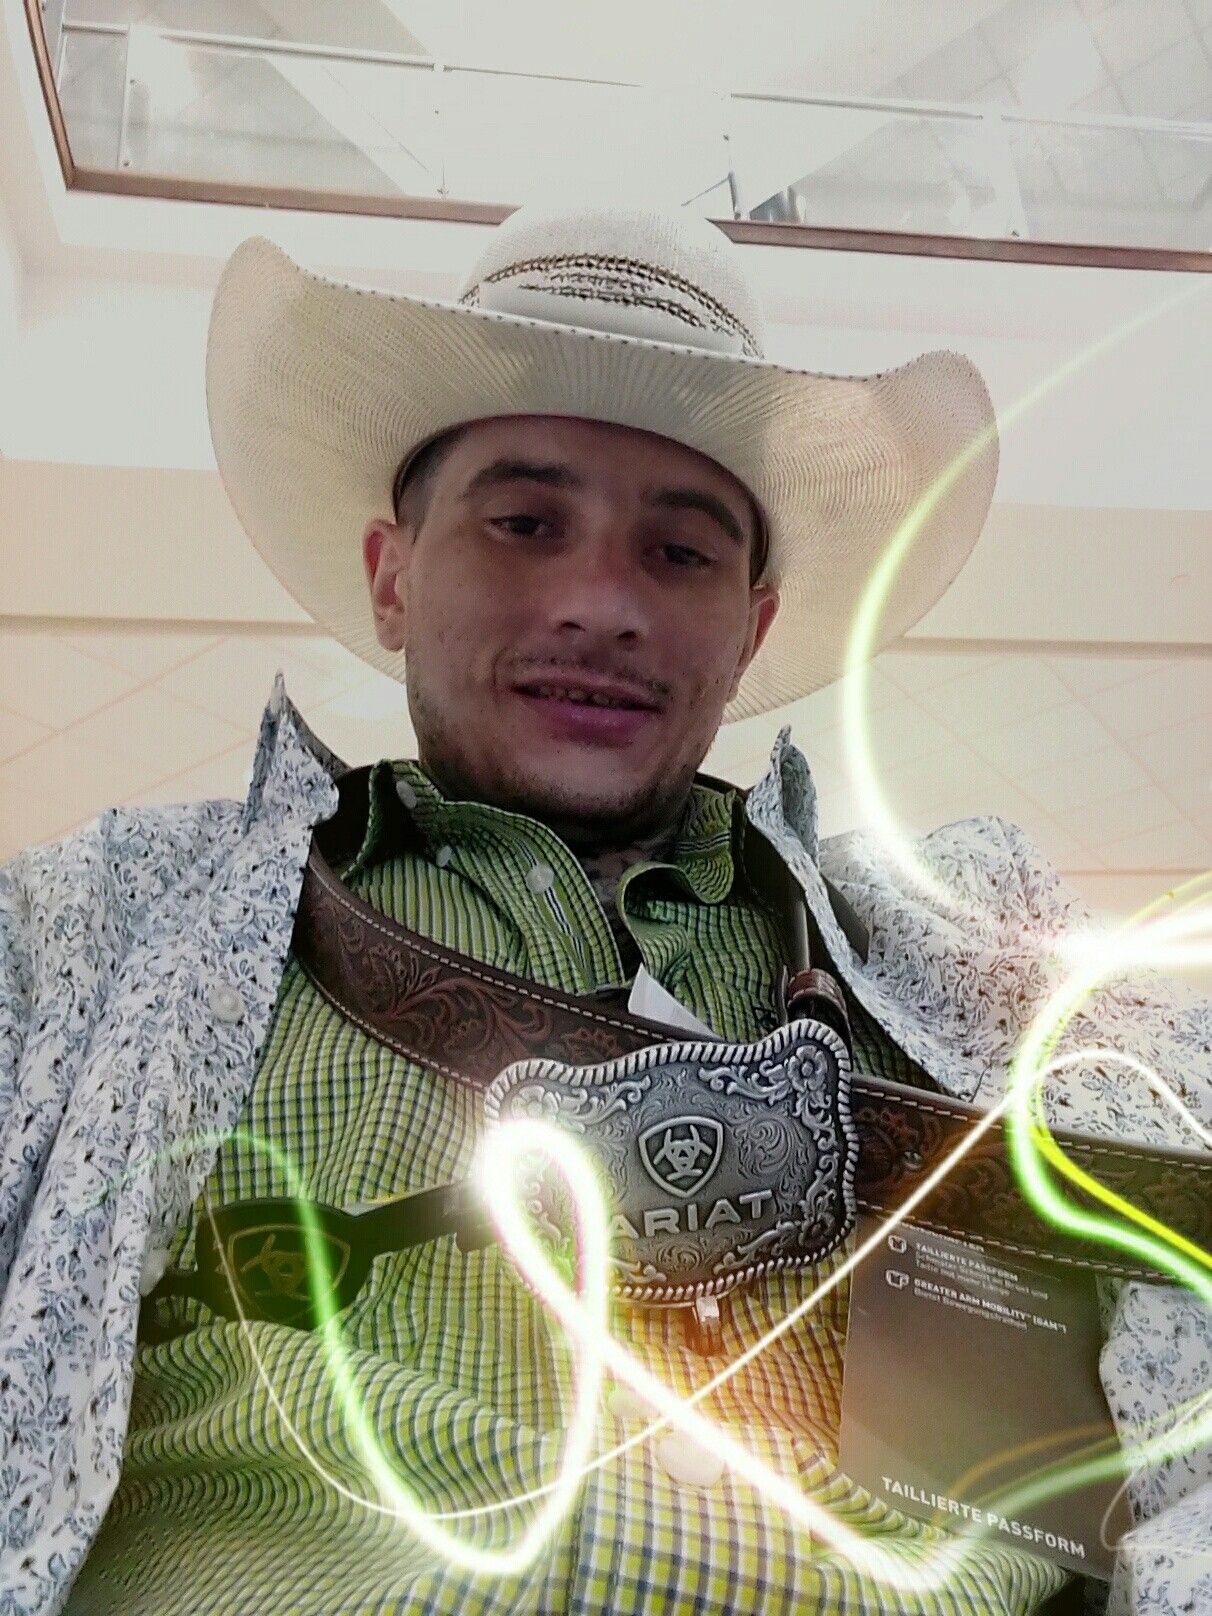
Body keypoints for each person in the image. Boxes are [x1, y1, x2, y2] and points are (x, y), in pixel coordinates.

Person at [0, 205, 1208, 1616]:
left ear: (751, 630)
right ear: (393, 577)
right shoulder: (104, 932)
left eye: (681, 553)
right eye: (524, 523)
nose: (600, 602)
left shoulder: (980, 962)